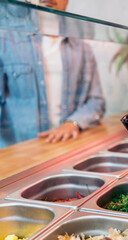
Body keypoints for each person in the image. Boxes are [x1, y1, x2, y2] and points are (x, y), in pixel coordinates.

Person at [0, 0, 105, 148]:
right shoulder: (5, 39)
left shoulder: (83, 47)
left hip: (67, 146)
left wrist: (73, 123)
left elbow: (97, 101)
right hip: (18, 151)